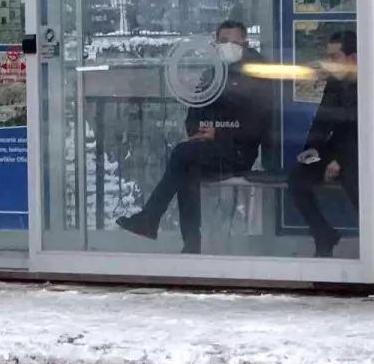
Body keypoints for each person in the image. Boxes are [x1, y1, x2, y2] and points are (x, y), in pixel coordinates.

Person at [117, 21, 274, 253]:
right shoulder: (214, 72)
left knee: (182, 154)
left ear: (245, 43)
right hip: (210, 148)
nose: (227, 46)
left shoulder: (257, 74)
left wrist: (218, 132)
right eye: (222, 41)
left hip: (239, 150)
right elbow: (195, 108)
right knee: (187, 170)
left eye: (233, 41)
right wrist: (197, 133)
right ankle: (190, 243)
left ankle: (150, 218)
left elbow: (257, 124)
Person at [289, 29, 359, 258]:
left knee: (355, 179)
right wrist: (311, 150)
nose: (330, 63)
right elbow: (322, 121)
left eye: (335, 57)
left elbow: (370, 127)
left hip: (364, 150)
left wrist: (340, 160)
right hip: (335, 148)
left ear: (354, 58)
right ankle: (323, 234)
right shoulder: (335, 83)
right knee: (297, 178)